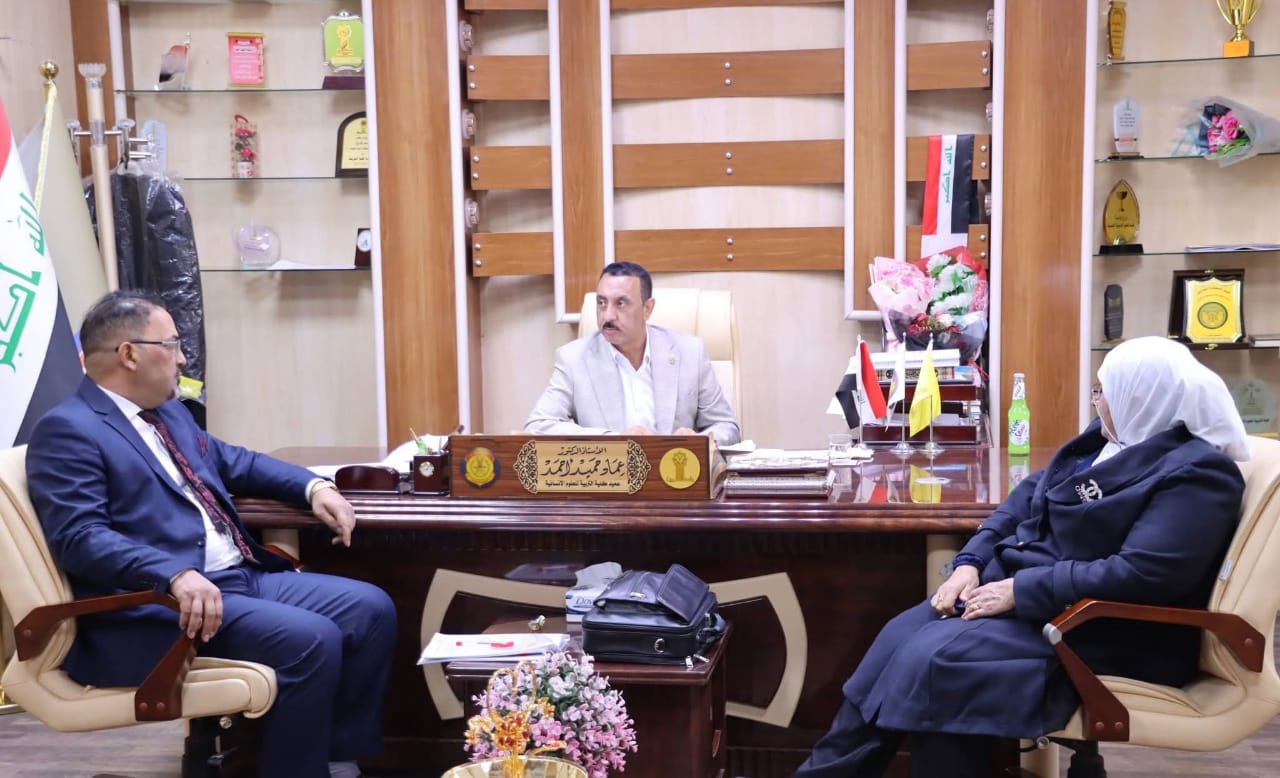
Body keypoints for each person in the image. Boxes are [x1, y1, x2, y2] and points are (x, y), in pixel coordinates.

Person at [794, 336, 1251, 778]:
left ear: (1143, 397)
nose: (1096, 402)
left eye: (1103, 391)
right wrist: (970, 562)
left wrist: (1020, 590)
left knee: (937, 662)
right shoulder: (1107, 441)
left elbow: (1144, 574)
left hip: (1102, 629)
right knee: (899, 635)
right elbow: (1026, 497)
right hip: (1039, 603)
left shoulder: (1198, 474)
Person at [25, 290, 396, 778]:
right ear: (129, 355)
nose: (182, 358)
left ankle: (337, 759)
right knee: (313, 638)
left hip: (236, 579)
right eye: (172, 344)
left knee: (370, 609)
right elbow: (80, 537)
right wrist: (173, 573)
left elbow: (236, 461)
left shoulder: (169, 412)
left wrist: (313, 487)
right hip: (161, 607)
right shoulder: (68, 430)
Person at [524, 261, 741, 446]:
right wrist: (615, 440)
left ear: (647, 309)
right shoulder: (573, 359)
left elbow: (727, 427)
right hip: (610, 478)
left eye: (621, 303)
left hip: (676, 475)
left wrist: (700, 441)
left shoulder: (689, 352)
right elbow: (538, 426)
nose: (608, 316)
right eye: (601, 303)